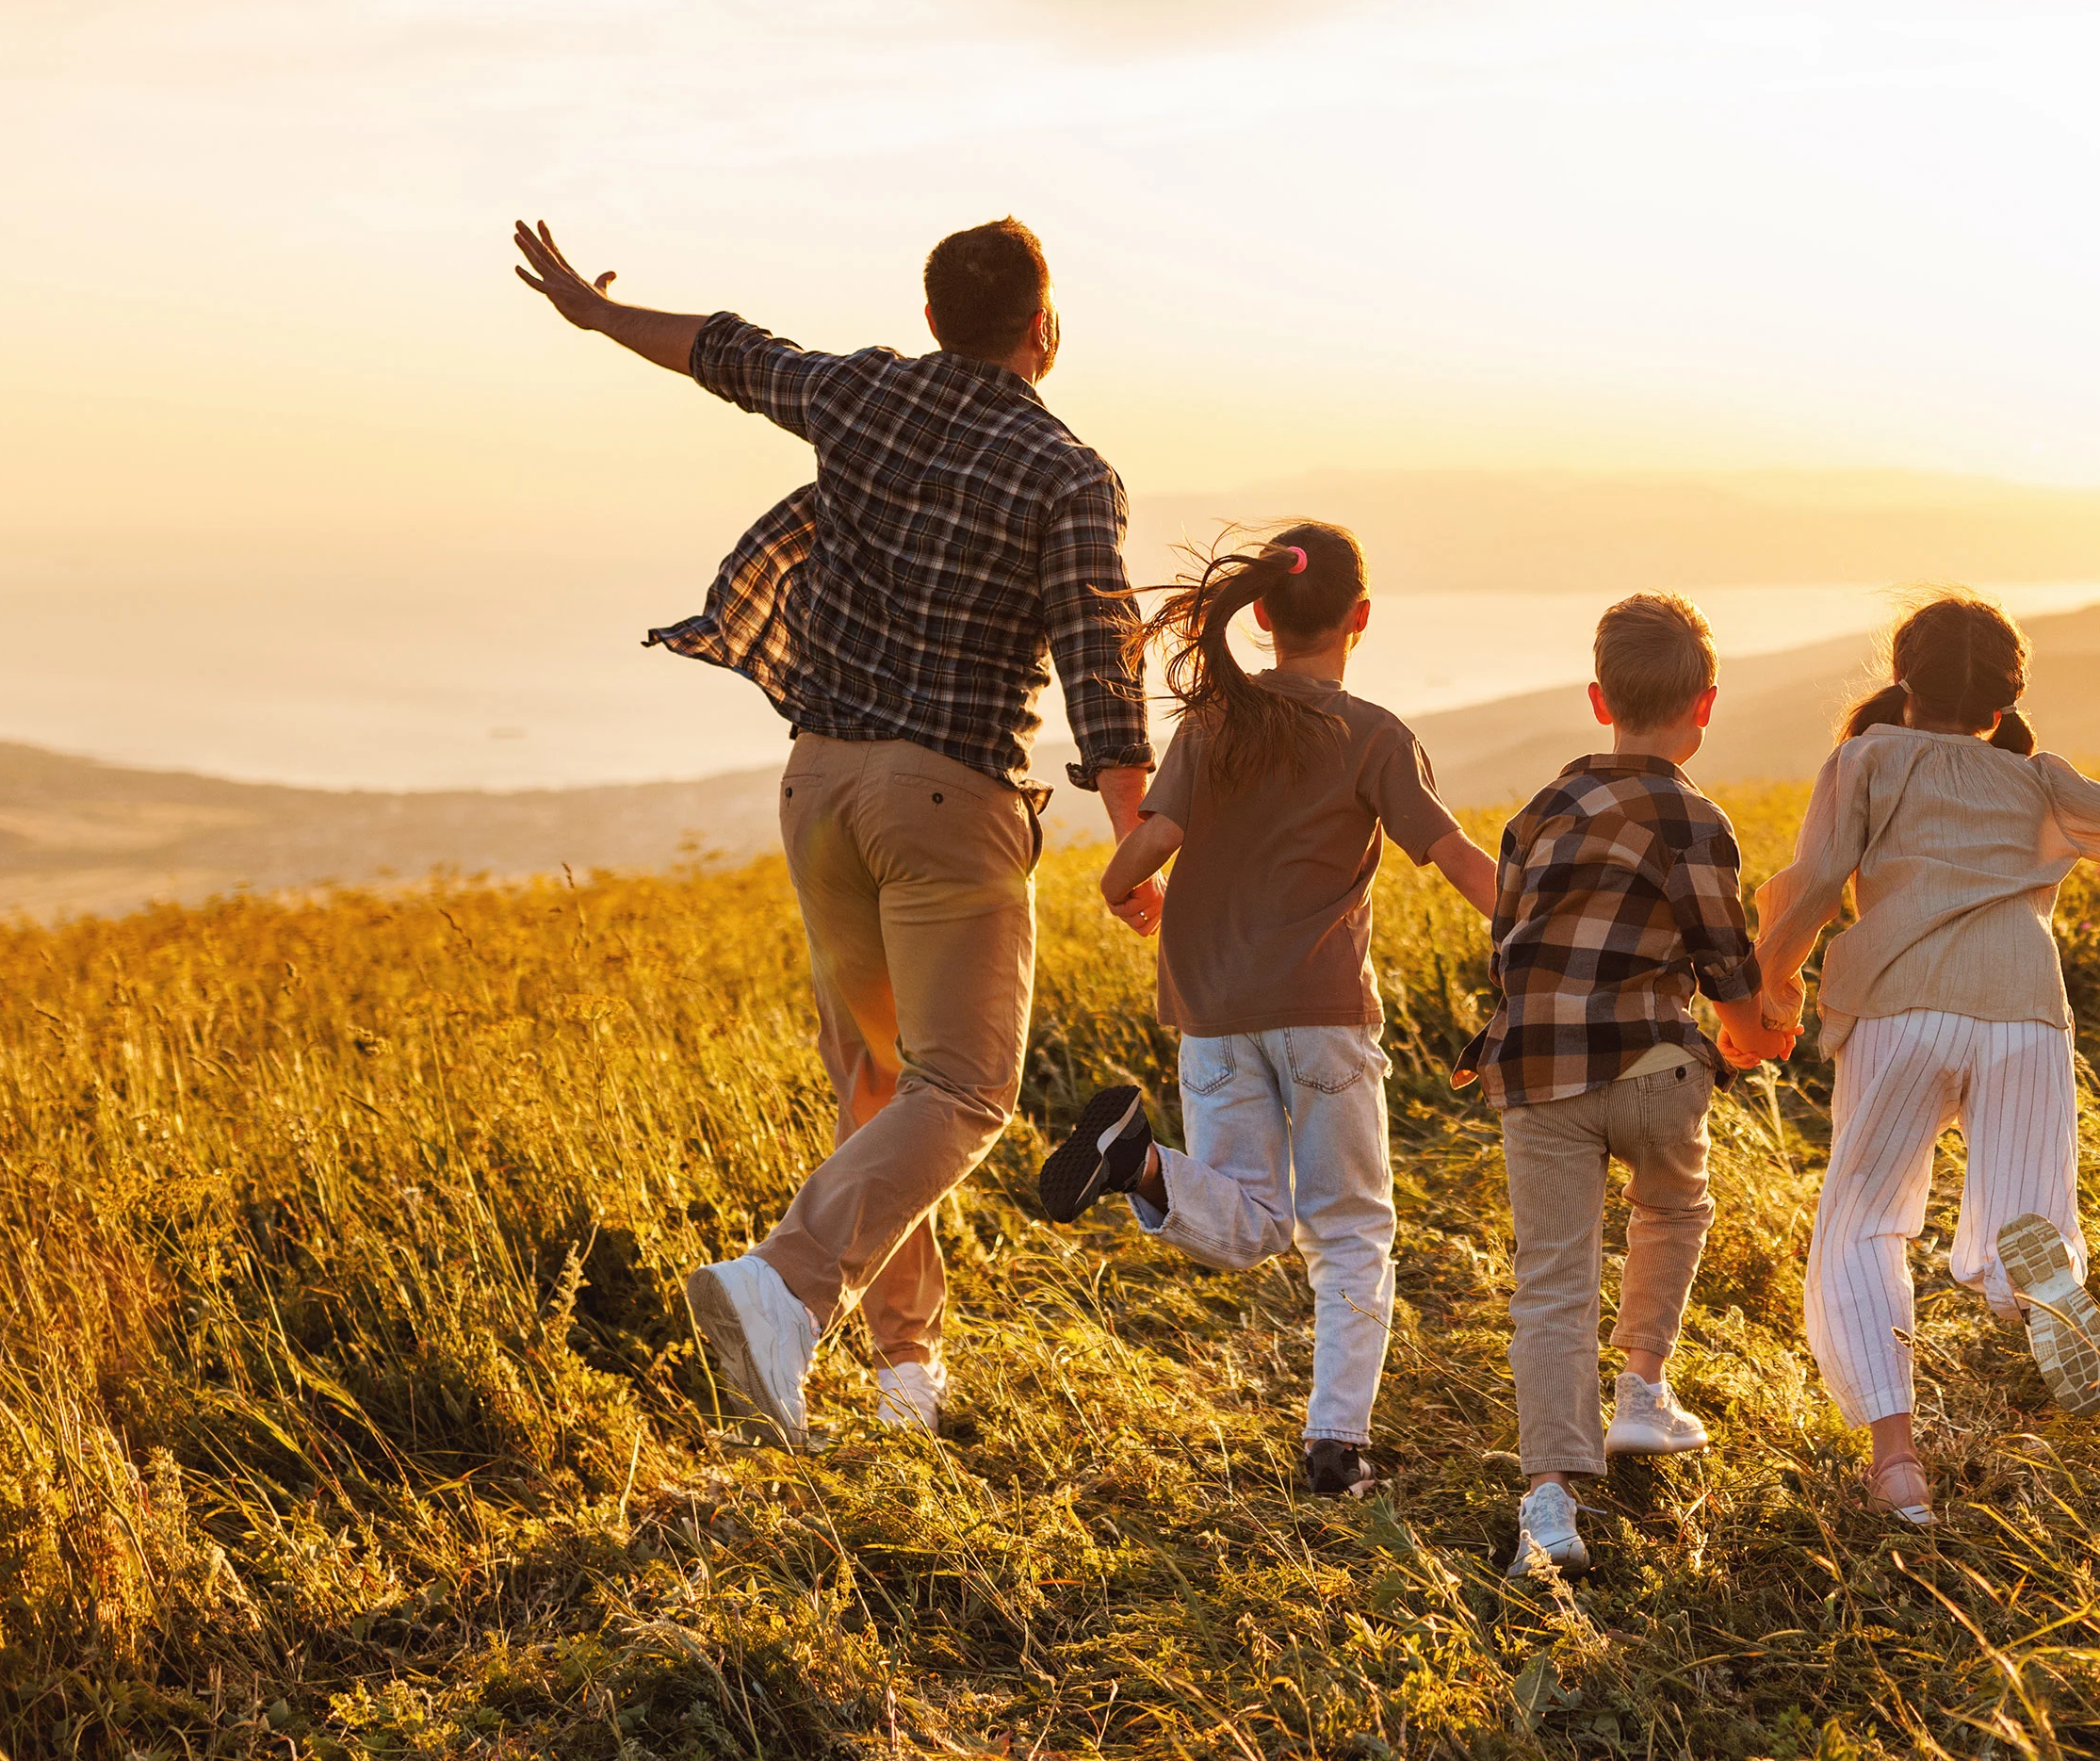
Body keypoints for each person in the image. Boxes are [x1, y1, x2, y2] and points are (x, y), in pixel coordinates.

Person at [510, 214, 1159, 1447]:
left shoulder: (864, 395)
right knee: (963, 1090)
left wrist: (597, 317)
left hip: (818, 789)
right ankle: (783, 1287)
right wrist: (1133, 838)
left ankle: (905, 1373)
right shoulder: (1068, 473)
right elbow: (1098, 668)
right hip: (942, 803)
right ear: (1043, 326)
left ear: (930, 321)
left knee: (877, 1085)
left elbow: (725, 349)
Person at [1027, 522, 1504, 1495]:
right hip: (1322, 1011)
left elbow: (1144, 845)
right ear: (1358, 618)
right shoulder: (1370, 732)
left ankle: (1140, 1164)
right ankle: (1336, 1450)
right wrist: (1539, 931)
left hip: (1209, 1010)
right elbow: (1453, 856)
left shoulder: (1212, 726)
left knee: (1249, 1222)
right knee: (1352, 1230)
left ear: (1265, 617)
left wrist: (1127, 894)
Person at [1751, 592, 2100, 1521]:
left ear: (1904, 683)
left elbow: (1817, 883)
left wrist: (1761, 983)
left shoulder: (1863, 759)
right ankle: (2035, 1272)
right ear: (2001, 704)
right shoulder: (2039, 780)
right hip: (2024, 1010)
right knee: (2026, 1208)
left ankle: (1897, 1463)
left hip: (1900, 1006)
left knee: (1863, 1219)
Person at [1458, 594, 1794, 1579]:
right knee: (1674, 1206)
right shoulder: (1696, 817)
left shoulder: (1539, 813)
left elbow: (1504, 950)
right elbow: (1724, 961)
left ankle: (1549, 1504)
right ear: (1707, 705)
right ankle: (1642, 1389)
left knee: (1552, 1284)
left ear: (1600, 697)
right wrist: (1750, 1033)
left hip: (1536, 1073)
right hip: (1653, 1067)